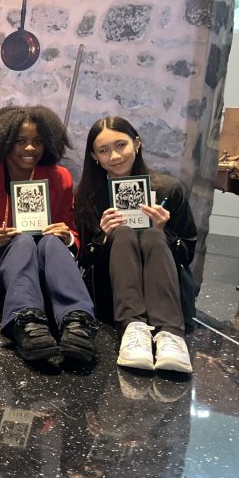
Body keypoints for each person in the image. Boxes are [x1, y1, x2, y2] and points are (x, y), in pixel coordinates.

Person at [0, 106, 98, 364]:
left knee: (52, 242)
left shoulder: (60, 178)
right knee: (22, 241)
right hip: (2, 279)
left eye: (38, 141)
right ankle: (25, 322)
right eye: (20, 141)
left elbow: (74, 236)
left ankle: (78, 321)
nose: (31, 148)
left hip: (49, 275)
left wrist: (67, 236)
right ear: (3, 142)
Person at [74, 116, 195, 374]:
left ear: (136, 143)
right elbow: (83, 260)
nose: (115, 156)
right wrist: (103, 236)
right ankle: (133, 329)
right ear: (94, 156)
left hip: (164, 288)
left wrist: (164, 231)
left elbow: (188, 253)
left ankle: (171, 335)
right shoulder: (89, 196)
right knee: (124, 233)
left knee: (152, 236)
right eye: (104, 150)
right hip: (113, 296)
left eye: (121, 145)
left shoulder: (169, 190)